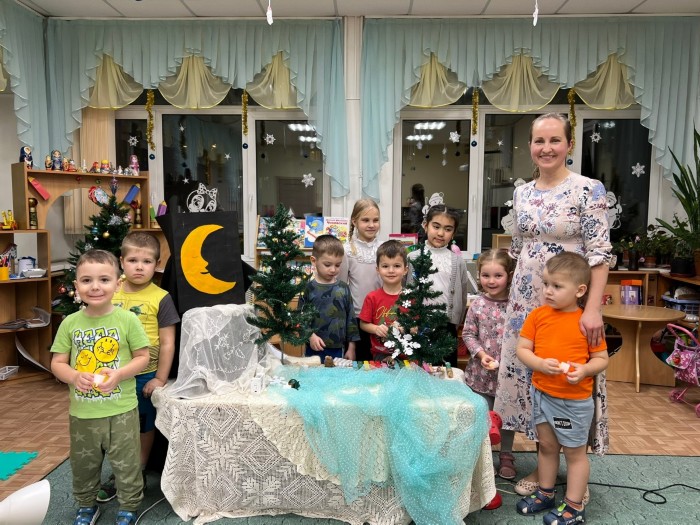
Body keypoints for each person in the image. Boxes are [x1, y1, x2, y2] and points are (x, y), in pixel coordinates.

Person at [493, 112, 612, 497]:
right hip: (525, 302)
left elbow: (600, 255)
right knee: (530, 377)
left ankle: (576, 470)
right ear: (530, 145)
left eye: (554, 140)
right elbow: (517, 250)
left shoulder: (588, 190)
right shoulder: (522, 193)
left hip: (571, 304)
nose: (546, 148)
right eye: (539, 141)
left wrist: (592, 309)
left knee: (568, 378)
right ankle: (544, 468)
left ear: (569, 144)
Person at [50, 249, 150, 525]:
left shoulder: (127, 320)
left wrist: (119, 374)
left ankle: (128, 506)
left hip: (121, 410)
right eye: (86, 280)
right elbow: (57, 362)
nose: (95, 287)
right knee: (83, 464)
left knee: (127, 462)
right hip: (83, 414)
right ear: (76, 285)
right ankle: (86, 505)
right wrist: (73, 376)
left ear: (117, 283)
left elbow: (143, 357)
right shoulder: (70, 323)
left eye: (104, 280)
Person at [515, 252, 609, 525]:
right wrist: (539, 364)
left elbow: (601, 359)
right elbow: (523, 349)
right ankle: (546, 493)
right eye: (546, 284)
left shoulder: (587, 323)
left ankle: (574, 506)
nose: (548, 291)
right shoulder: (537, 316)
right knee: (546, 446)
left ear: (580, 290)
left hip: (573, 402)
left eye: (557, 286)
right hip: (542, 395)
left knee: (574, 454)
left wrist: (585, 370)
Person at [97, 232, 180, 504]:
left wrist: (160, 378)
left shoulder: (161, 298)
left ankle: (139, 471)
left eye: (147, 261)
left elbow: (168, 342)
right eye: (133, 260)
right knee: (112, 426)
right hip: (109, 374)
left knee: (143, 426)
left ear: (157, 264)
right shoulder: (111, 291)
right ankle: (118, 472)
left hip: (144, 376)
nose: (139, 267)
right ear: (121, 262)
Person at [462, 249, 515, 478]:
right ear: (479, 276)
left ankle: (506, 455)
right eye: (486, 275)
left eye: (498, 275)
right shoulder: (477, 305)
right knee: (483, 416)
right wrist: (481, 354)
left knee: (507, 417)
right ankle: (484, 458)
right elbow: (468, 334)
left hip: (508, 376)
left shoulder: (516, 305)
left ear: (509, 276)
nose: (491, 281)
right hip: (480, 375)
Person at [408, 203, 469, 366]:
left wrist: (456, 322)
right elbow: (406, 291)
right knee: (420, 370)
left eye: (448, 229)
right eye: (436, 226)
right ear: (425, 225)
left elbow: (463, 295)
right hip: (418, 325)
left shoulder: (457, 261)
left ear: (453, 233)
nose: (441, 233)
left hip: (447, 326)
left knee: (447, 371)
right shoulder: (413, 258)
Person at [299, 234, 360, 362]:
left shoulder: (343, 288)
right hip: (313, 347)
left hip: (339, 349)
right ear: (314, 261)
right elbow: (300, 317)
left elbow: (351, 319)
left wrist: (352, 348)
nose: (333, 270)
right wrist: (310, 336)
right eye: (327, 265)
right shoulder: (307, 288)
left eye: (338, 265)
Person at [339, 199, 383, 362]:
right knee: (360, 365)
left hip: (382, 315)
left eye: (375, 220)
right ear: (354, 221)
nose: (371, 225)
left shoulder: (384, 248)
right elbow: (342, 286)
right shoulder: (346, 250)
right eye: (365, 220)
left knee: (381, 364)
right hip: (357, 317)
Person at [358, 240, 409, 361]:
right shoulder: (372, 297)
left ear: (405, 270)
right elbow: (363, 324)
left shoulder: (411, 297)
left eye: (397, 266)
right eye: (385, 266)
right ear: (378, 269)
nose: (391, 270)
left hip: (407, 354)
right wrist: (376, 329)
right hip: (380, 354)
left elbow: (417, 327)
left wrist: (406, 328)